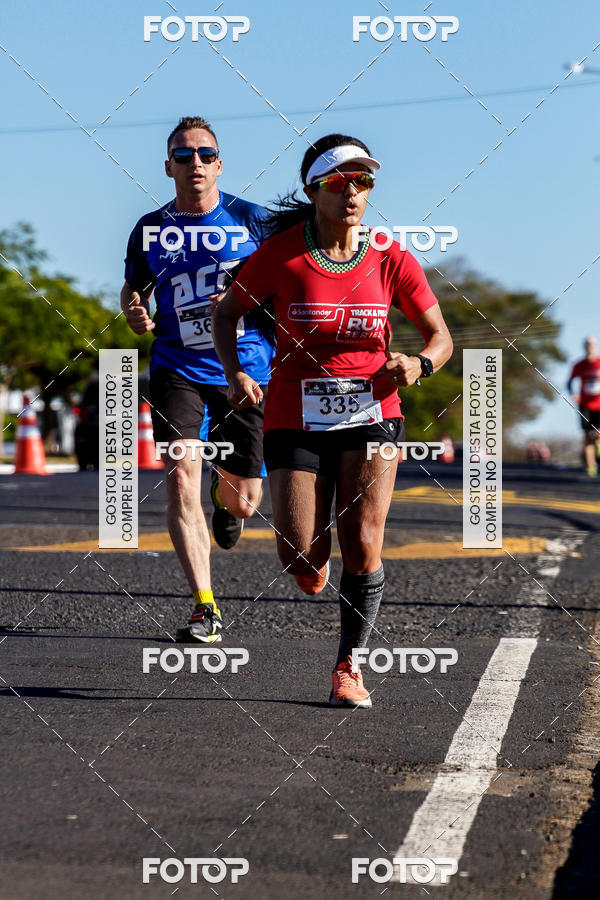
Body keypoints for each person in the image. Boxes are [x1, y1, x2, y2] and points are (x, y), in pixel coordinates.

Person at [213, 133, 453, 706]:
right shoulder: (282, 255)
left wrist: (417, 366)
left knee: (364, 541)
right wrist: (236, 373)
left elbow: (440, 339)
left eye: (363, 181)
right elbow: (227, 316)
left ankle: (349, 665)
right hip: (294, 412)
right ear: (313, 190)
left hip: (374, 410)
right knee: (300, 552)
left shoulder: (392, 257)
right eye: (339, 182)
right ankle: (309, 562)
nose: (353, 192)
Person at [121, 116, 274, 642]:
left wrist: (242, 304)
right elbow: (133, 289)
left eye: (205, 154)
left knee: (243, 501)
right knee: (181, 472)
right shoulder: (149, 228)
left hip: (246, 370)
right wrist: (134, 311)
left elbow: (290, 287)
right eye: (183, 157)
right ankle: (204, 606)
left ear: (219, 163)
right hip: (175, 367)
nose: (196, 164)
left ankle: (225, 502)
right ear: (168, 167)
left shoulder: (254, 221)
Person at [568, 336, 600, 476]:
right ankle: (591, 466)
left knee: (598, 434)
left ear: (595, 346)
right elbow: (569, 382)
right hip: (585, 405)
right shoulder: (579, 365)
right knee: (587, 435)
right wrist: (573, 394)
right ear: (584, 346)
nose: (590, 346)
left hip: (599, 404)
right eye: (587, 344)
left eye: (592, 344)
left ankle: (598, 448)